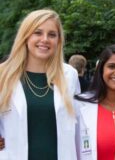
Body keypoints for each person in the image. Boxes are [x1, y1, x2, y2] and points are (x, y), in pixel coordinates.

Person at [0, 9, 80, 160]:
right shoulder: (3, 75)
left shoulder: (69, 75)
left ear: (59, 40)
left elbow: (78, 125)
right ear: (25, 36)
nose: (45, 39)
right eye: (37, 32)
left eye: (52, 35)